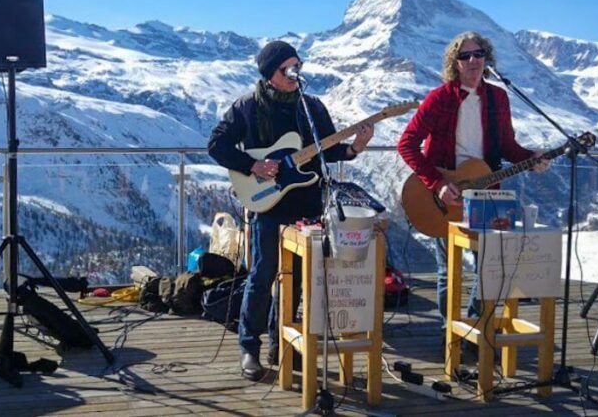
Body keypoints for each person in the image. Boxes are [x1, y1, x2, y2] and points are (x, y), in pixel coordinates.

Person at [208, 40, 374, 381]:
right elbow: (217, 145)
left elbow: (326, 150)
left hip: (306, 204)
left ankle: (283, 344)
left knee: (296, 279)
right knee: (263, 274)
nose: (295, 72)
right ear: (271, 73)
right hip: (267, 205)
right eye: (288, 67)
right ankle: (249, 348)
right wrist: (253, 165)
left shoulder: (311, 107)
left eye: (298, 65)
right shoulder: (247, 107)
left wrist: (355, 148)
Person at [397, 31, 548, 343]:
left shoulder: (498, 98)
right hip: (445, 193)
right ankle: (449, 332)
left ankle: (478, 329)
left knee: (491, 265)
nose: (473, 61)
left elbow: (507, 145)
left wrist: (530, 158)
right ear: (455, 63)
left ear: (487, 58)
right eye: (465, 56)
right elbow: (406, 143)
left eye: (478, 54)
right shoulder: (439, 99)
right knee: (447, 270)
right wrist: (437, 183)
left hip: (488, 190)